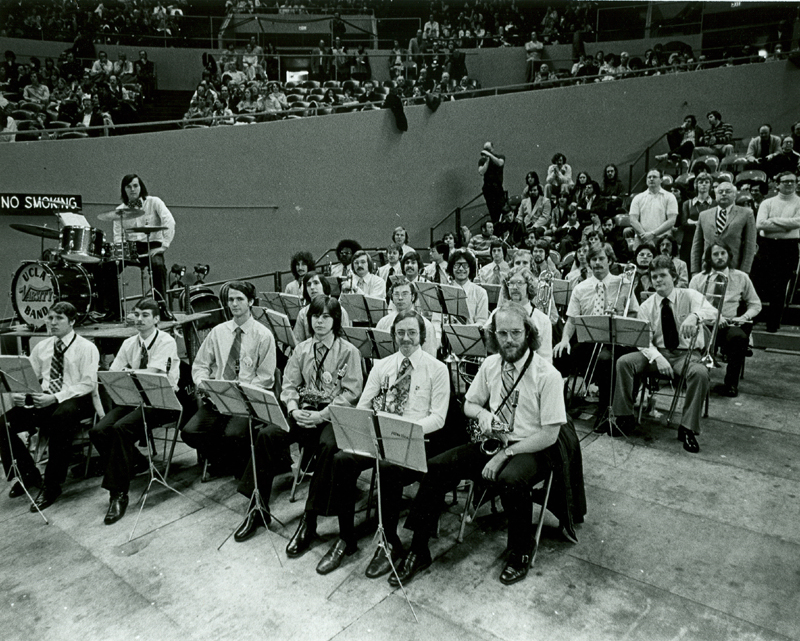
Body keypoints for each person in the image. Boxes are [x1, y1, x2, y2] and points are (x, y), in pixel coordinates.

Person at [393, 302, 585, 587]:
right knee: (435, 467)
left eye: (516, 333)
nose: (509, 340)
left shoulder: (548, 375)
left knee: (510, 478)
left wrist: (505, 454)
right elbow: (470, 404)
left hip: (534, 446)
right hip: (497, 440)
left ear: (529, 333)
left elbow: (549, 435)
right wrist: (483, 413)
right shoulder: (490, 364)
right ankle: (419, 549)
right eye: (502, 333)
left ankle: (520, 551)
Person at [303, 309, 451, 576]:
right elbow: (363, 404)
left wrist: (403, 429)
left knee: (388, 467)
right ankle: (346, 538)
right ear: (393, 335)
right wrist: (374, 425)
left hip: (413, 439)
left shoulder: (437, 369)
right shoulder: (382, 366)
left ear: (422, 336)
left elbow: (439, 418)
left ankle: (389, 543)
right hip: (379, 435)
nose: (406, 338)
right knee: (341, 460)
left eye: (412, 332)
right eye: (401, 332)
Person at [234, 295, 362, 543]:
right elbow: (290, 385)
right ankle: (258, 507)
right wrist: (293, 409)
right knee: (267, 435)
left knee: (328, 447)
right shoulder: (302, 349)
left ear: (335, 320)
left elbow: (352, 393)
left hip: (331, 416)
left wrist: (321, 415)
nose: (320, 322)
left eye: (326, 316)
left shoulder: (349, 352)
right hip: (303, 411)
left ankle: (310, 520)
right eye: (315, 316)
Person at [88, 299, 180, 525]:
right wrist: (129, 374)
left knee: (121, 428)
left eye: (145, 315)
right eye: (136, 314)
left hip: (161, 401)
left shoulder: (166, 341)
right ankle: (136, 462)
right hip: (133, 399)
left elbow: (150, 375)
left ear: (156, 319)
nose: (139, 319)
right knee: (99, 431)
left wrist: (129, 373)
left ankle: (118, 494)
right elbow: (113, 373)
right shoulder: (129, 343)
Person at [0, 303, 99, 511]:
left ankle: (52, 485)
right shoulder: (42, 347)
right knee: (3, 423)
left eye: (59, 318)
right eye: (50, 317)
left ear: (72, 321)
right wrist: (21, 394)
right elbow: (27, 378)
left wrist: (55, 397)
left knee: (60, 418)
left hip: (76, 399)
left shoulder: (86, 347)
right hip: (45, 399)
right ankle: (27, 473)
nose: (52, 323)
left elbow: (88, 383)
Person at [611, 255, 716, 453]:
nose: (658, 280)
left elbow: (713, 312)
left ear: (673, 277)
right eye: (654, 276)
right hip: (657, 353)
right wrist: (658, 358)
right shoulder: (647, 306)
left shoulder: (690, 295)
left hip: (686, 354)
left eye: (662, 275)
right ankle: (624, 417)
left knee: (700, 374)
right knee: (624, 362)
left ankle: (687, 429)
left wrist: (695, 316)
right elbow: (643, 342)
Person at [182, 281, 276, 476]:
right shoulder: (218, 332)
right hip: (218, 398)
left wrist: (241, 393)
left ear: (250, 301)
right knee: (190, 433)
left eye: (240, 299)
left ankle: (236, 463)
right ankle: (224, 459)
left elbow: (266, 378)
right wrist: (202, 384)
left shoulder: (263, 335)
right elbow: (200, 365)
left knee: (233, 434)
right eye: (230, 299)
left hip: (246, 400)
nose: (234, 304)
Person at [554, 245, 640, 421]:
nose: (598, 263)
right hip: (589, 341)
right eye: (594, 259)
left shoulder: (623, 283)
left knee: (605, 359)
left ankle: (604, 412)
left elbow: (633, 314)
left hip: (616, 342)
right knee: (560, 353)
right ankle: (559, 407)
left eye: (602, 258)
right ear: (589, 262)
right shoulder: (581, 288)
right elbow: (571, 320)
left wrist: (618, 315)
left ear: (609, 260)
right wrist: (564, 340)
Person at [689, 242, 761, 398]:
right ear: (709, 258)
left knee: (739, 338)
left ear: (729, 255)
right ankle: (691, 379)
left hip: (728, 324)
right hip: (704, 324)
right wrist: (715, 316)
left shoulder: (741, 277)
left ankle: (731, 385)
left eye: (723, 253)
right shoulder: (698, 279)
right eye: (715, 254)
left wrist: (744, 317)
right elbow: (691, 306)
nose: (720, 257)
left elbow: (756, 304)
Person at [107, 174, 176, 318]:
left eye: (135, 185)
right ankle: (115, 311)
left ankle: (161, 308)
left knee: (158, 266)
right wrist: (119, 254)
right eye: (128, 186)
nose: (132, 189)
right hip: (132, 248)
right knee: (108, 267)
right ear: (124, 189)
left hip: (152, 246)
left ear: (140, 187)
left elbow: (169, 221)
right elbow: (118, 236)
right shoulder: (120, 210)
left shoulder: (154, 202)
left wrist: (164, 246)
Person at [755, 171, 800, 332]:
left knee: (780, 287)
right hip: (767, 246)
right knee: (759, 283)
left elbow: (798, 222)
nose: (789, 184)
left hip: (788, 248)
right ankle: (751, 320)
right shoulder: (767, 203)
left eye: (792, 181)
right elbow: (760, 225)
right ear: (777, 184)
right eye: (785, 181)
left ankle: (773, 324)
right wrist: (787, 226)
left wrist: (773, 220)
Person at [691, 181, 756, 275]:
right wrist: (694, 271)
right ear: (715, 195)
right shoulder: (703, 215)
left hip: (734, 268)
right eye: (720, 192)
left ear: (734, 195)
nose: (724, 194)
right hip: (707, 269)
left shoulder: (746, 214)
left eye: (728, 191)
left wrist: (745, 271)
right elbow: (696, 245)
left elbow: (750, 246)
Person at [489, 267, 552, 363]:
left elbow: (546, 358)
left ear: (529, 286)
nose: (514, 287)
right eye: (511, 283)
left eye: (519, 283)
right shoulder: (496, 314)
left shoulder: (543, 320)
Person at [376, 279, 438, 356]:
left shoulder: (426, 325)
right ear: (392, 297)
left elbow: (430, 358)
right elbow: (378, 355)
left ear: (413, 297)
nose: (400, 298)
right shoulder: (383, 323)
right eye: (396, 294)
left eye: (405, 294)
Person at [294, 271, 351, 343]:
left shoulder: (340, 310)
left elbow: (345, 341)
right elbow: (298, 341)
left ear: (324, 285)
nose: (312, 287)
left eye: (316, 283)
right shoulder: (302, 313)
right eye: (308, 285)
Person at [628, 169, 679, 246]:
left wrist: (653, 234)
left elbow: (672, 220)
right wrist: (645, 236)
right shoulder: (637, 198)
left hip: (663, 240)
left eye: (654, 177)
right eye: (649, 177)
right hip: (642, 238)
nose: (651, 179)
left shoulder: (670, 197)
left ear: (661, 180)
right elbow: (633, 220)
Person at [677, 172, 715, 271]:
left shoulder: (715, 204)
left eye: (707, 182)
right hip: (689, 241)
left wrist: (693, 222)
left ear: (710, 185)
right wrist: (705, 223)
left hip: (708, 241)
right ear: (696, 185)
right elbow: (684, 223)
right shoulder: (687, 204)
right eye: (700, 182)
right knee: (690, 268)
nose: (703, 184)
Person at [448, 248, 489, 324]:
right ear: (451, 267)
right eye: (457, 265)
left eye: (465, 265)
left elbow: (482, 321)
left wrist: (467, 331)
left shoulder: (480, 293)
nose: (461, 269)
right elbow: (436, 321)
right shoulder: (443, 291)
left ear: (470, 268)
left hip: (472, 334)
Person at [478, 142, 506, 222]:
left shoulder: (500, 157)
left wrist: (490, 156)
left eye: (488, 149)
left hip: (498, 187)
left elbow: (500, 163)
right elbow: (481, 172)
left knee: (502, 208)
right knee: (492, 211)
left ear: (492, 149)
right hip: (488, 189)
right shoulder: (482, 161)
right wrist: (487, 161)